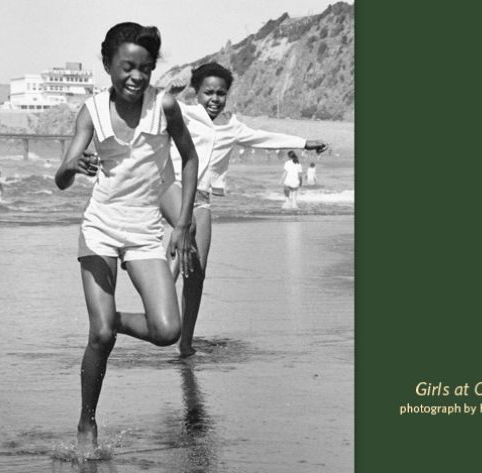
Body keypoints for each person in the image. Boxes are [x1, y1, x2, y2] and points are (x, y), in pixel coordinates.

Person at [54, 22, 199, 453]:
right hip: (100, 227)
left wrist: (184, 222)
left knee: (167, 330)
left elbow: (190, 160)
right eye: (127, 67)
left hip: (144, 230)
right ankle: (87, 422)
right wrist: (72, 167)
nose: (136, 77)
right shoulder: (92, 111)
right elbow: (61, 177)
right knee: (99, 336)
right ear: (108, 65)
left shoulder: (165, 107)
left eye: (145, 69)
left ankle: (114, 319)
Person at [160, 62, 329, 356]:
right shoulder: (183, 113)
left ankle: (185, 341)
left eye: (221, 94)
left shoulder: (232, 126)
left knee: (198, 271)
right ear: (196, 92)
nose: (214, 99)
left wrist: (305, 143)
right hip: (171, 187)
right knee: (186, 232)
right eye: (208, 93)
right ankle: (159, 306)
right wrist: (166, 93)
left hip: (202, 197)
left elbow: (267, 139)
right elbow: (148, 113)